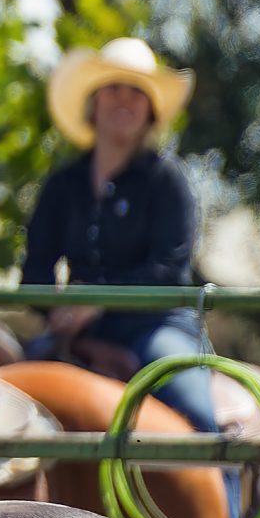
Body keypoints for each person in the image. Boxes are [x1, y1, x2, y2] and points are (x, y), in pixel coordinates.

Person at [19, 37, 218, 433]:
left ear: (150, 112)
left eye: (136, 92)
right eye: (113, 88)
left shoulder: (167, 181)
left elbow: (169, 270)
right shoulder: (64, 184)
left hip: (156, 326)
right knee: (3, 391)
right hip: (81, 330)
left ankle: (225, 486)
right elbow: (35, 270)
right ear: (93, 103)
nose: (123, 100)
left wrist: (95, 302)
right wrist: (55, 309)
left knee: (195, 413)